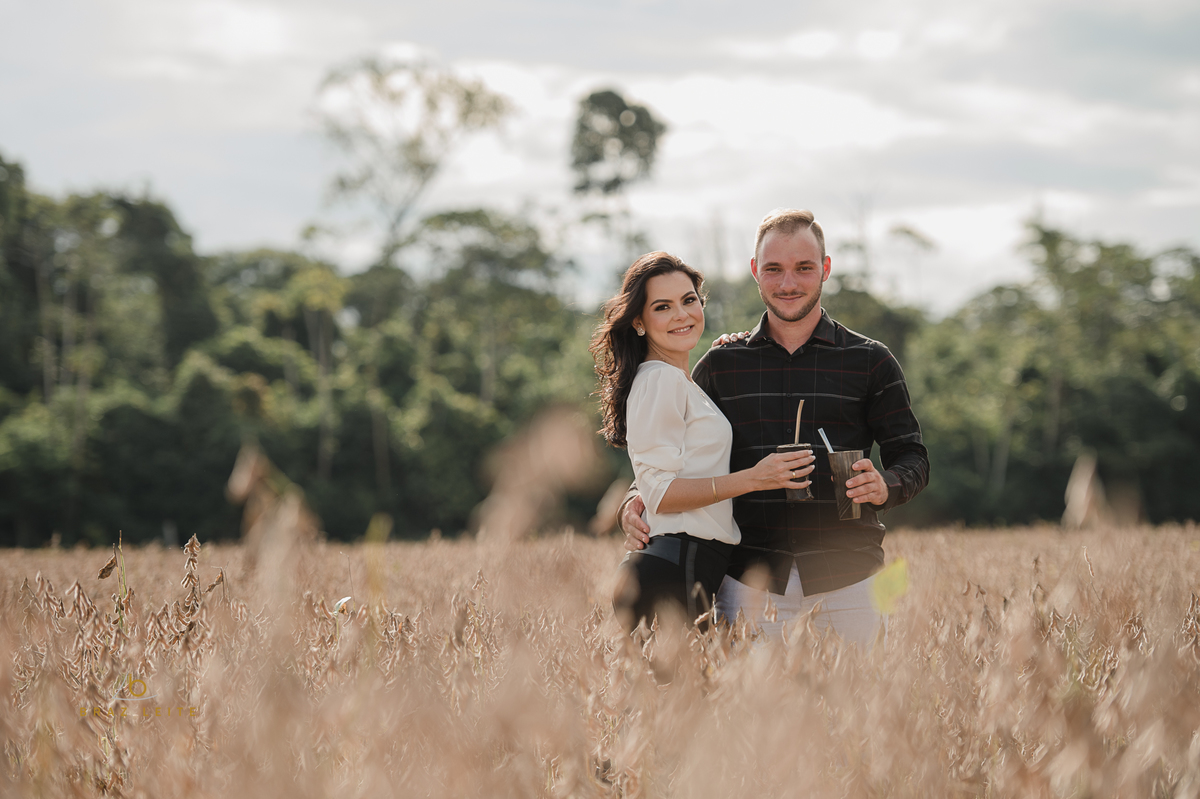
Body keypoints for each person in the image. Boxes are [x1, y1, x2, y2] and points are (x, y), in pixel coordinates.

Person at [619, 210, 929, 646]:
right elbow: (674, 446)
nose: (788, 283)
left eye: (803, 268)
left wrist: (887, 485)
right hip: (749, 580)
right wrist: (634, 498)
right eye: (774, 269)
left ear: (824, 268)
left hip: (852, 576)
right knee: (751, 713)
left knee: (860, 709)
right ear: (755, 272)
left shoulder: (871, 360)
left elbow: (913, 455)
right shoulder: (722, 364)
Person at [590, 251, 811, 632]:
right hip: (675, 567)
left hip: (691, 567)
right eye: (663, 307)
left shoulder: (684, 381)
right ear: (639, 322)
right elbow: (659, 493)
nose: (681, 314)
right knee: (681, 691)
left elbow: (664, 475)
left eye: (689, 300)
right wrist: (755, 478)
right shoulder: (661, 379)